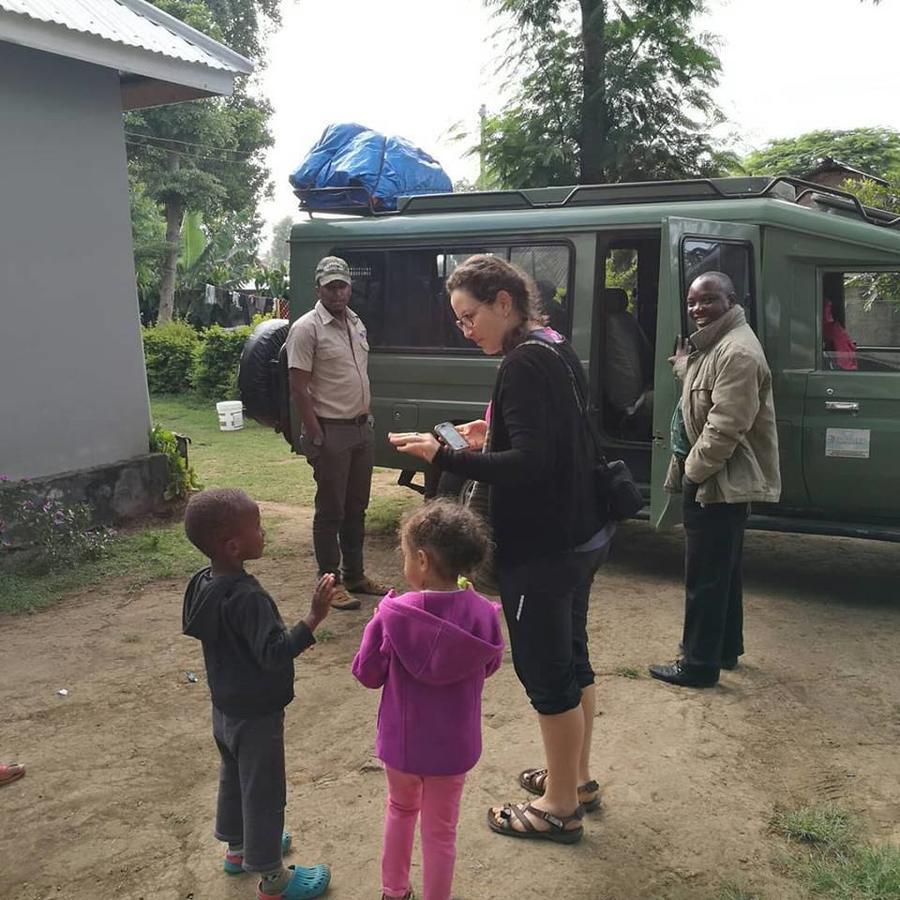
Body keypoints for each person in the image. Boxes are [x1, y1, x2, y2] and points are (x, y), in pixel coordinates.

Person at [389, 254, 614, 845]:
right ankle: (578, 776)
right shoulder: (555, 346)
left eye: (469, 317)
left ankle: (559, 805)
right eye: (459, 320)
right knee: (572, 657)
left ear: (504, 303)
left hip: (541, 545)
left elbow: (530, 464)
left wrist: (446, 455)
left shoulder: (520, 364)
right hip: (581, 532)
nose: (465, 330)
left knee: (547, 675)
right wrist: (496, 431)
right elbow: (556, 435)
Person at [182, 488, 334, 900]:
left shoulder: (202, 583)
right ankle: (273, 878)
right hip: (257, 714)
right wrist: (312, 619)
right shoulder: (246, 595)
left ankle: (238, 848)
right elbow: (272, 654)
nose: (263, 533)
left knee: (234, 776)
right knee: (264, 790)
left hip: (225, 707)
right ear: (233, 546)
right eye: (257, 528)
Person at [351, 500, 504, 900]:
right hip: (454, 749)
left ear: (421, 559)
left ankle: (394, 891)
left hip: (402, 747)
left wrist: (377, 631)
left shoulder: (391, 614)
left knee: (400, 812)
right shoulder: (484, 614)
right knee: (442, 831)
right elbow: (489, 666)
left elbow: (367, 674)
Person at [649, 272, 781, 688]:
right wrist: (682, 366)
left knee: (704, 575)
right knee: (722, 570)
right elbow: (704, 384)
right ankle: (724, 649)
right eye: (692, 302)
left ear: (731, 300)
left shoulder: (738, 352)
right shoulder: (718, 344)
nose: (697, 309)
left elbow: (726, 425)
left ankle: (698, 665)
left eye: (708, 301)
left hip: (716, 480)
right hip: (716, 479)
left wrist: (693, 472)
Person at [286, 255, 389, 611]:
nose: (337, 292)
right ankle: (330, 582)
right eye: (330, 286)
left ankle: (356, 575)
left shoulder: (355, 323)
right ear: (318, 288)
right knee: (330, 510)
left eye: (342, 284)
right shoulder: (306, 328)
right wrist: (315, 434)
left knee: (356, 507)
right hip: (330, 431)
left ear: (349, 286)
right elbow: (298, 388)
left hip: (361, 430)